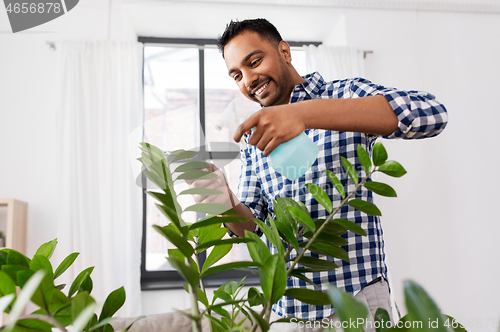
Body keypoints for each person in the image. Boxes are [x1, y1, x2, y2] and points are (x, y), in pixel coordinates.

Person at [187, 18, 448, 331]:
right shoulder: (254, 138)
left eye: (254, 62)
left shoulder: (343, 93)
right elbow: (251, 228)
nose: (248, 80)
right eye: (237, 75)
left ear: (284, 51)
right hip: (287, 312)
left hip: (355, 303)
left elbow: (432, 113)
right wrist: (221, 198)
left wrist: (302, 113)